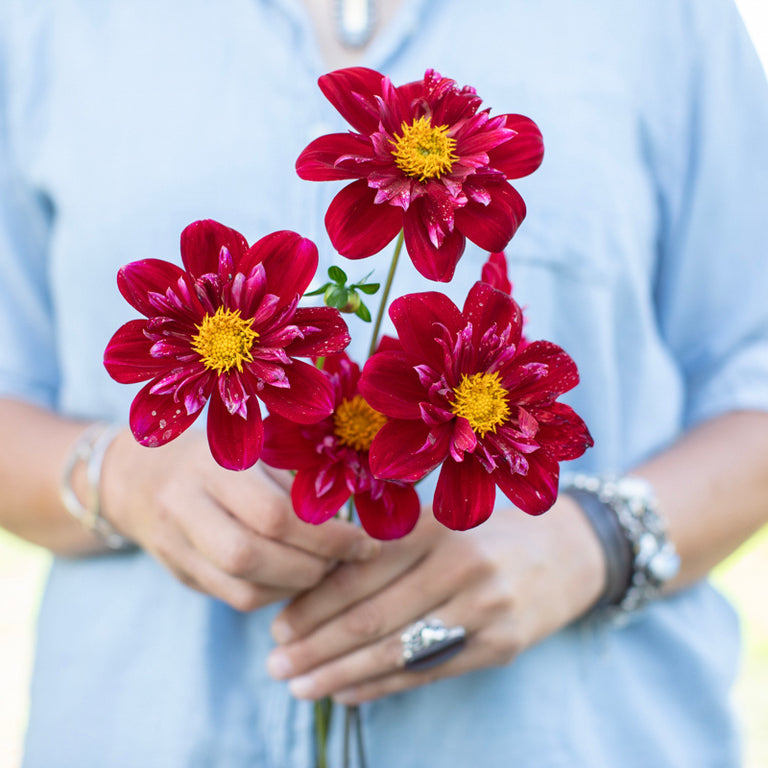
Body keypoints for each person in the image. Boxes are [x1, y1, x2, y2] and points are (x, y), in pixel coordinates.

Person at [1, 1, 767, 766]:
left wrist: (596, 542)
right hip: (140, 730)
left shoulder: (669, 19)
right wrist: (117, 477)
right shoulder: (44, 22)